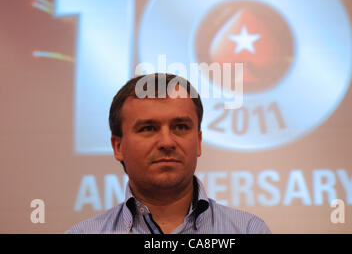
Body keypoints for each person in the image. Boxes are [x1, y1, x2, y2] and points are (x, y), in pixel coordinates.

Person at [66, 73, 271, 234]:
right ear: (118, 147)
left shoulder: (249, 230)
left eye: (180, 127)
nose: (166, 142)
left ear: (198, 142)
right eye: (148, 128)